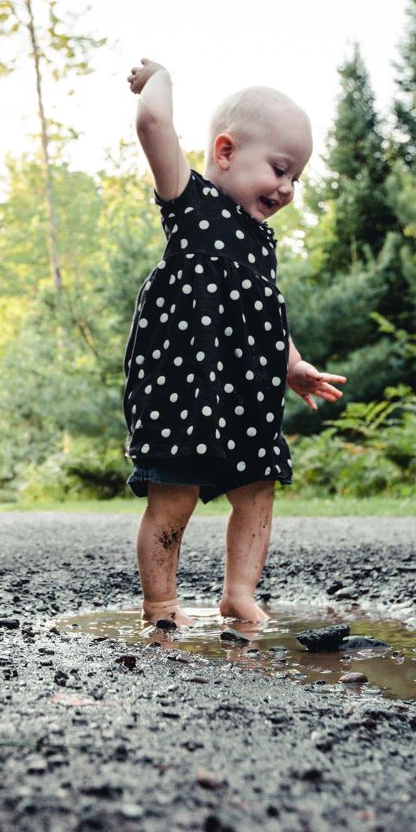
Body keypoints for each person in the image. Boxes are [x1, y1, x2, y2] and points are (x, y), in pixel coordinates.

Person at [123, 58, 346, 627]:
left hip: (246, 390)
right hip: (182, 384)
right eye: (280, 169)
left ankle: (239, 593)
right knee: (173, 495)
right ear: (224, 152)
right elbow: (153, 126)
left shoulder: (259, 242)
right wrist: (161, 80)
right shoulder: (190, 203)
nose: (288, 188)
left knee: (258, 487)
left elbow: (263, 312)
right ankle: (161, 605)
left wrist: (293, 364)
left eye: (296, 177)